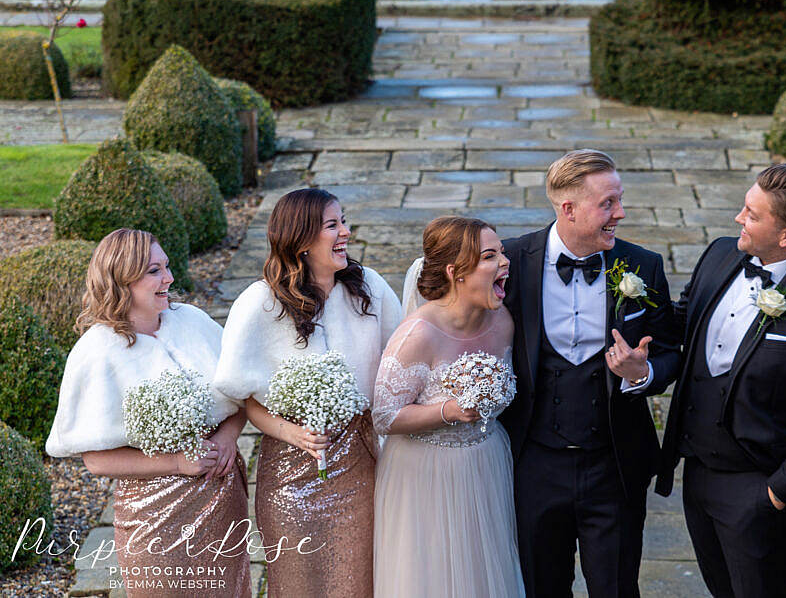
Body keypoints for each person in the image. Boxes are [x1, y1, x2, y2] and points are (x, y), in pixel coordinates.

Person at [657, 164, 786, 598]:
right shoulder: (719, 253)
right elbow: (684, 322)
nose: (738, 219)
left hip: (760, 490)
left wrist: (777, 493)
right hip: (696, 476)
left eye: (752, 214)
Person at [499, 149, 682, 598]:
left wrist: (643, 374)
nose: (620, 213)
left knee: (618, 588)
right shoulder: (510, 261)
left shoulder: (644, 265)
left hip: (614, 465)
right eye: (608, 204)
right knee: (540, 586)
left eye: (619, 200)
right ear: (568, 209)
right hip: (533, 465)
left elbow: (672, 351)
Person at [213, 188, 402, 597]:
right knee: (299, 584)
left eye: (344, 221)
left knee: (359, 581)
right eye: (332, 226)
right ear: (300, 241)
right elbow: (246, 400)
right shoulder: (260, 305)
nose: (346, 233)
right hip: (290, 475)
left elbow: (401, 362)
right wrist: (293, 433)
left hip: (361, 466)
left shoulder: (368, 288)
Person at [46, 228, 250, 597]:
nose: (169, 278)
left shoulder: (193, 322)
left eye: (167, 267)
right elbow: (96, 460)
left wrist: (227, 437)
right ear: (121, 281)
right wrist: (176, 463)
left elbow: (239, 397)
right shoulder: (96, 353)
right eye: (154, 271)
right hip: (154, 515)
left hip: (221, 501)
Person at [373, 216, 525, 598]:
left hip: (485, 463)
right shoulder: (418, 334)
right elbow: (384, 416)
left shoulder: (502, 321)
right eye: (490, 256)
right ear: (457, 272)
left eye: (502, 253)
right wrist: (449, 411)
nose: (504, 263)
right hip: (426, 473)